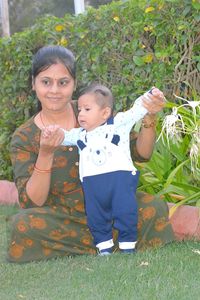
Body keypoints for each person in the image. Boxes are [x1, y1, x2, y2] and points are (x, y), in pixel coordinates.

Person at [7, 45, 175, 263]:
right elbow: (32, 201)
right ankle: (110, 241)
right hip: (63, 217)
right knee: (23, 225)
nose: (55, 90)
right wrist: (46, 153)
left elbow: (141, 153)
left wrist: (150, 117)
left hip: (111, 205)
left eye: (63, 82)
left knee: (153, 206)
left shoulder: (92, 110)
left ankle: (96, 243)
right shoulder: (24, 137)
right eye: (46, 82)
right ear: (33, 84)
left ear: (74, 84)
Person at [43, 83, 152, 255]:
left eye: (87, 109)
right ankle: (104, 248)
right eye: (79, 110)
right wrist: (53, 132)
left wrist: (152, 94)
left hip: (119, 182)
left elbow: (137, 110)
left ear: (105, 112)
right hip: (92, 186)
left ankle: (127, 246)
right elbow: (63, 136)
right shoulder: (80, 135)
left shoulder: (118, 124)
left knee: (126, 212)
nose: (81, 114)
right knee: (96, 216)